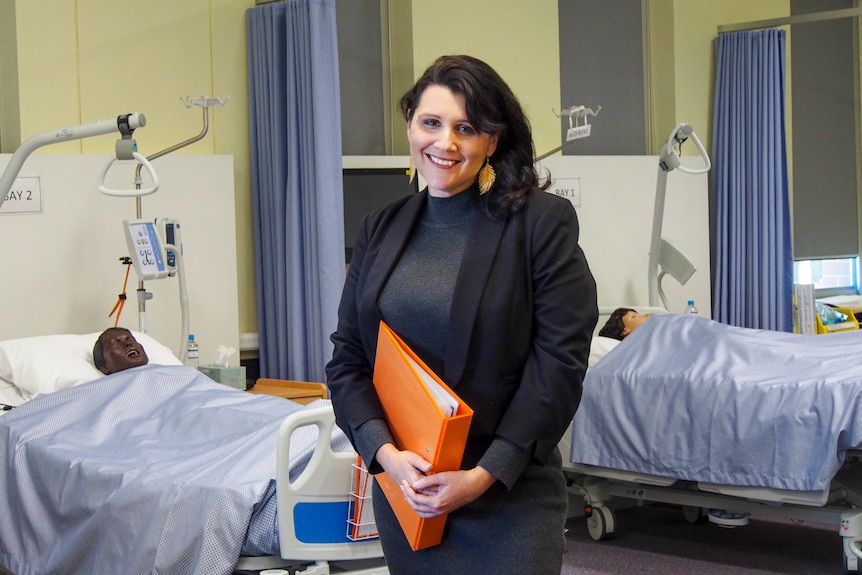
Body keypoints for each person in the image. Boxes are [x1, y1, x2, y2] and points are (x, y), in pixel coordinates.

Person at [325, 55, 598, 574]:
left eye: (465, 128)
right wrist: (386, 455)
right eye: (431, 123)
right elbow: (348, 360)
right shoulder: (380, 228)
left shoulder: (540, 223)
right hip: (411, 492)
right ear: (410, 125)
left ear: (492, 141)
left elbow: (558, 366)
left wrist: (483, 474)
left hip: (504, 493)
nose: (444, 143)